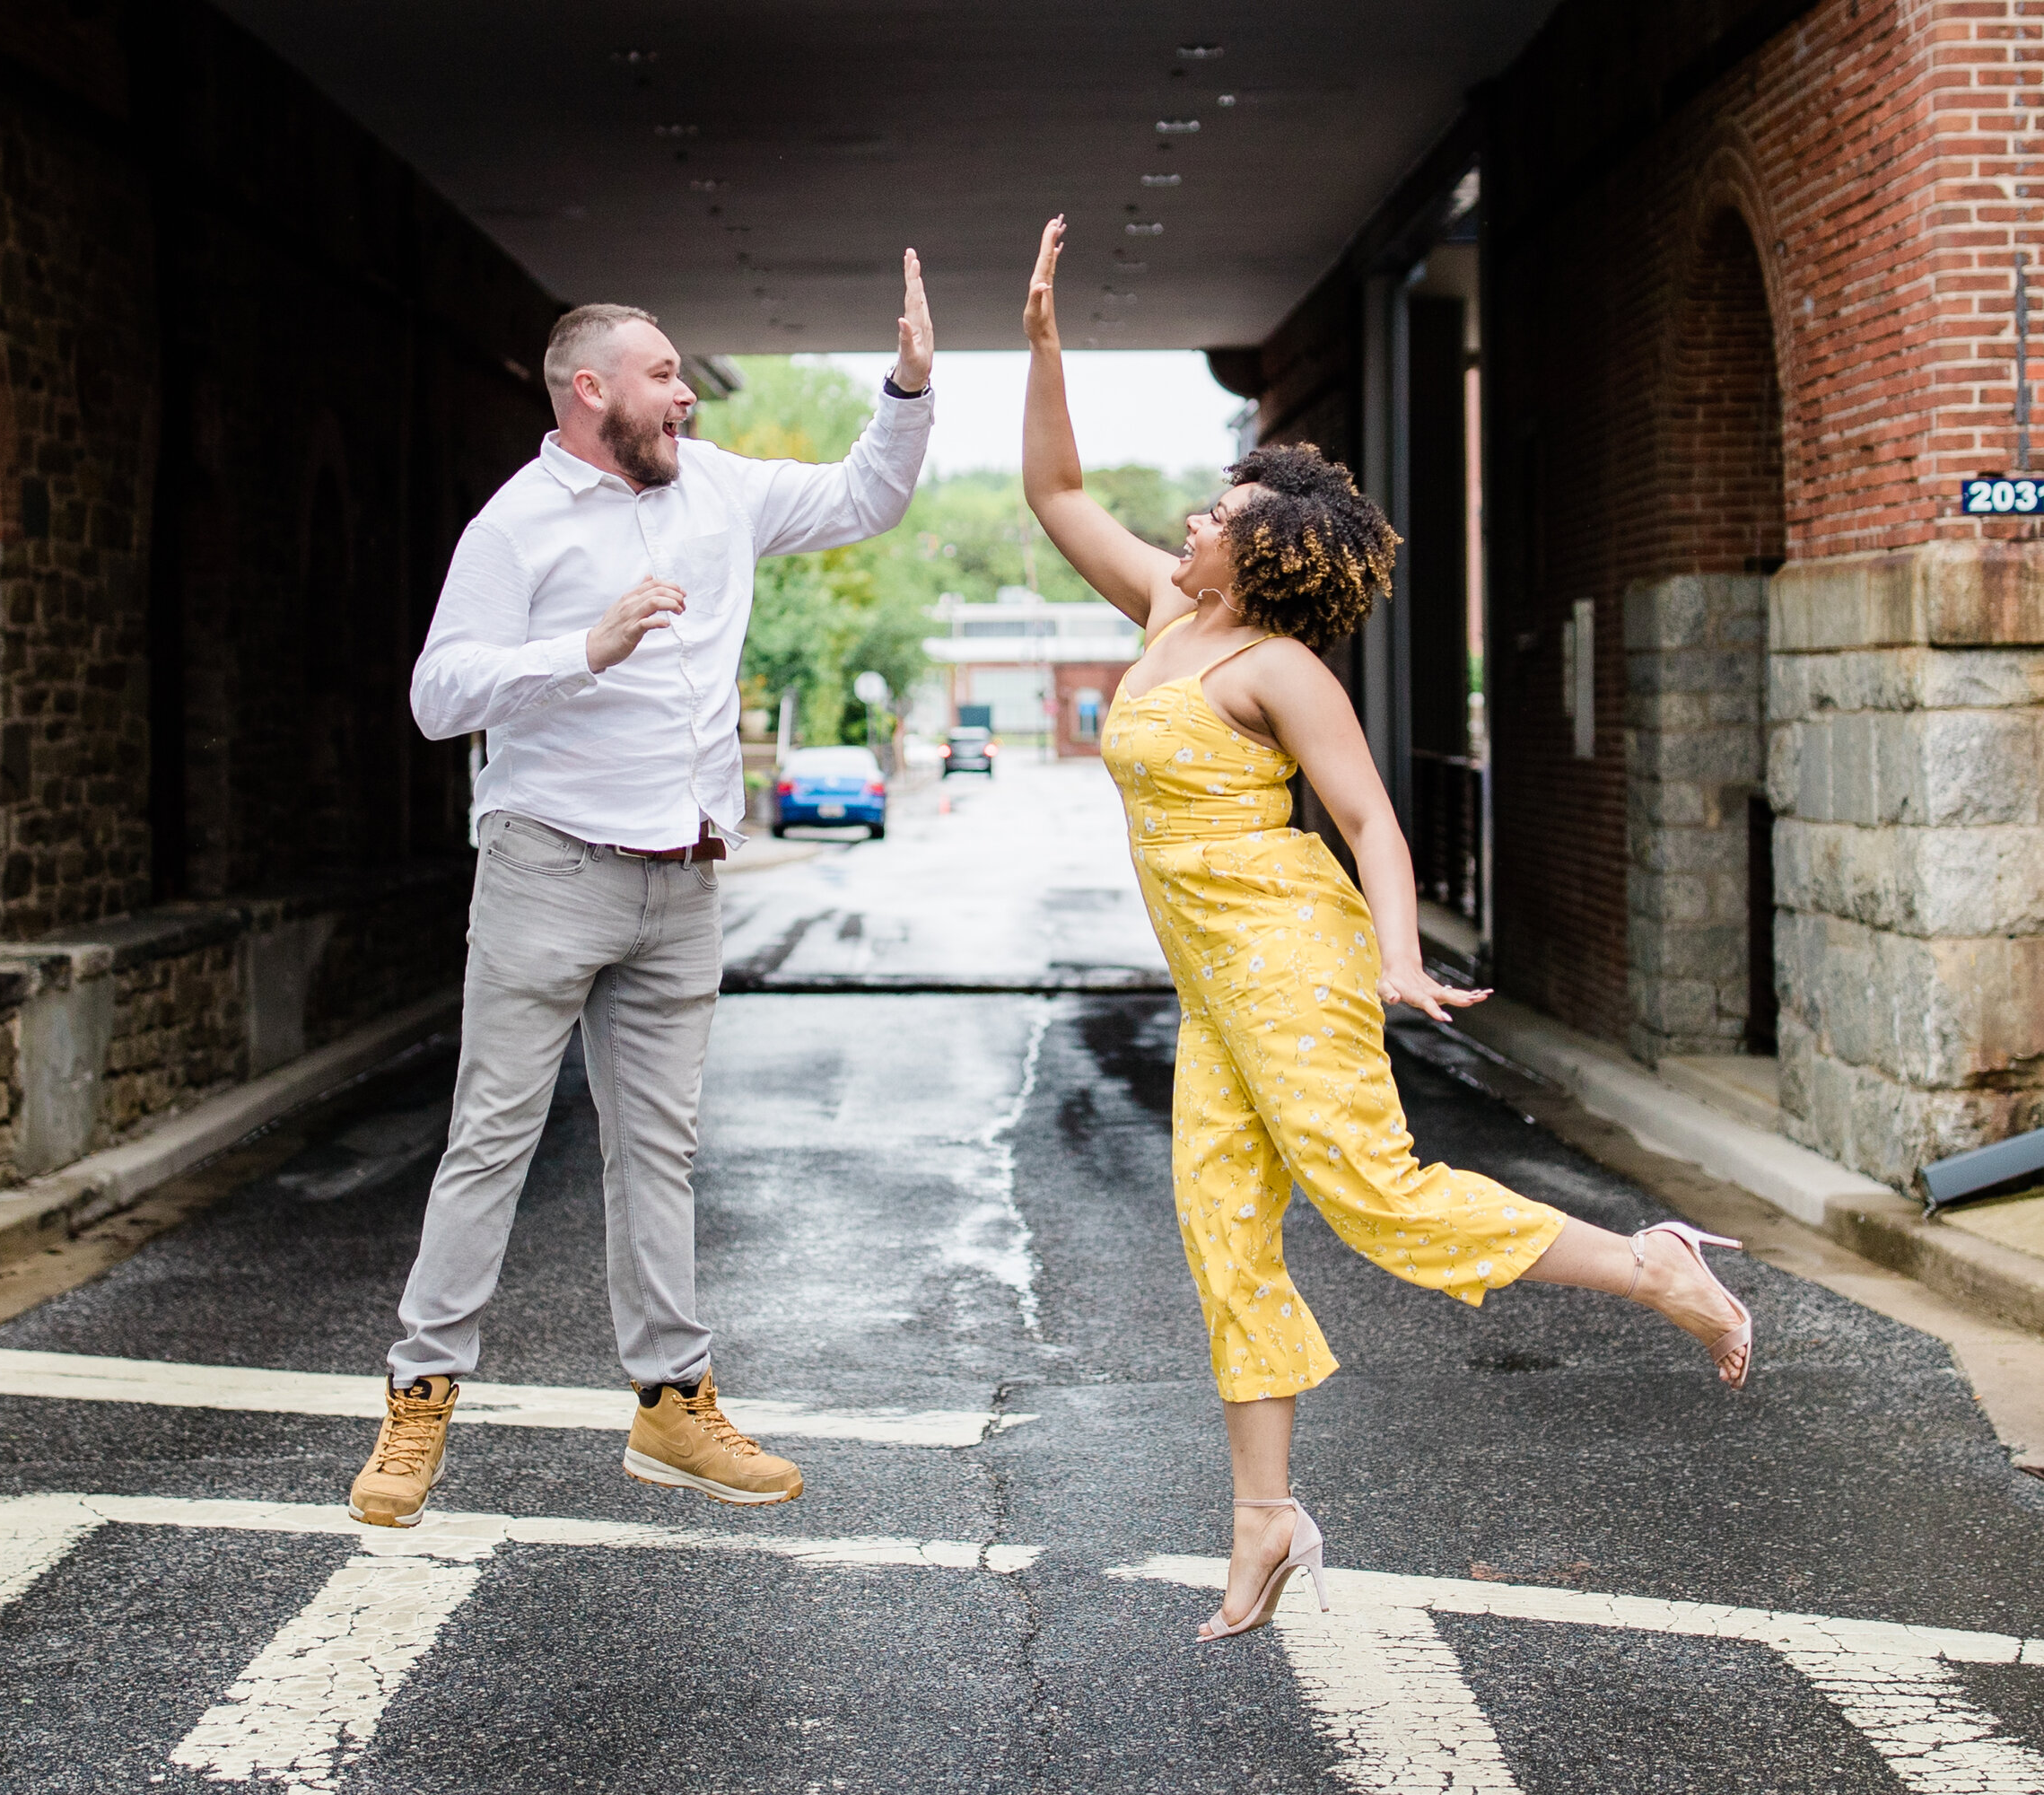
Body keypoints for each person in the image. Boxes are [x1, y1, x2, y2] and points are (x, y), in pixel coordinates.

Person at [1018, 217, 1754, 1641]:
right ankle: (1264, 1519)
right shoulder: (1169, 614)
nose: (1195, 518)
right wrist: (1045, 346)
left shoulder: (1278, 668)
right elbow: (1054, 490)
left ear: (1269, 548)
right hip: (1214, 978)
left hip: (1288, 952)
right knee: (1221, 1222)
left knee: (1376, 1194)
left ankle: (1650, 1265)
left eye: (1222, 510)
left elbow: (1370, 825)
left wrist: (1399, 954)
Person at [347, 258, 937, 1527]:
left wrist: (905, 388)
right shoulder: (516, 525)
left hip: (685, 878)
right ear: (588, 390)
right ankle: (419, 1396)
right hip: (548, 869)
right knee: (490, 1139)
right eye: (666, 376)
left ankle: (672, 1406)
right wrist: (585, 648)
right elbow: (437, 693)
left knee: (661, 1151)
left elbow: (864, 497)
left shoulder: (717, 490)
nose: (688, 397)